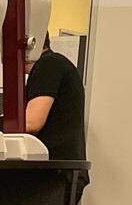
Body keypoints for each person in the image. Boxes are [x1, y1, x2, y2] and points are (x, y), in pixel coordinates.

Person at [25, 34, 88, 190]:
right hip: (59, 172)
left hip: (56, 175)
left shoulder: (48, 64)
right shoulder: (54, 64)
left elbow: (31, 123)